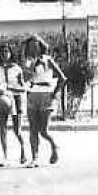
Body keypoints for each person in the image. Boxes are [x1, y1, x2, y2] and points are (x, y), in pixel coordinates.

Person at [20, 36, 62, 166]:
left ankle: (54, 146)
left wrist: (54, 93)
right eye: (31, 45)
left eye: (36, 45)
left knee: (44, 130)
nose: (33, 48)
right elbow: (25, 78)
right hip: (32, 94)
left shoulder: (47, 60)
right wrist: (29, 67)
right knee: (33, 129)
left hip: (46, 95)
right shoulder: (28, 62)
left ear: (40, 46)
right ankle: (35, 158)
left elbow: (62, 78)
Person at [0, 43, 27, 166]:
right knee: (2, 128)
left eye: (7, 51)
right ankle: (5, 157)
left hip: (15, 99)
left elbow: (23, 88)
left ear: (11, 53)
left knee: (17, 130)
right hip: (3, 99)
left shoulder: (17, 69)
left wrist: (10, 88)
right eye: (2, 52)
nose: (5, 54)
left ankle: (23, 151)